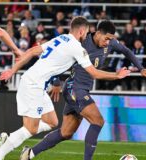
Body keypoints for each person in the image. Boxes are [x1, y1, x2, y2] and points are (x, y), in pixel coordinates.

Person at [0, 16, 130, 160]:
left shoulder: (61, 38)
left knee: (52, 122)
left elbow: (31, 51)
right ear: (81, 31)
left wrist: (13, 70)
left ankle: (10, 142)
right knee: (31, 128)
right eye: (86, 33)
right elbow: (94, 73)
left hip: (38, 84)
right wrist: (117, 75)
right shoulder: (77, 48)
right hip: (33, 85)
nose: (86, 36)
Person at [18, 20, 146, 160]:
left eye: (111, 39)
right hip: (74, 88)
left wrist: (141, 68)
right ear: (97, 33)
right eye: (106, 39)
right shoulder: (81, 43)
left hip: (81, 90)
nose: (108, 42)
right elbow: (59, 59)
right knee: (98, 121)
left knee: (66, 133)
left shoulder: (111, 43)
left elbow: (127, 51)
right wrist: (55, 81)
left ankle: (29, 153)